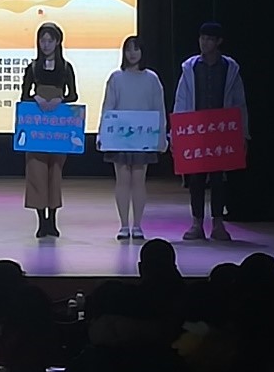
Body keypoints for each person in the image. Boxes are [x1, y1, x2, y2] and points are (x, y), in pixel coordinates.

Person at [173, 22, 249, 241]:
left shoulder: (229, 68)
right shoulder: (190, 67)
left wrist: (243, 133)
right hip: (196, 128)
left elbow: (239, 103)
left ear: (218, 42)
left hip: (220, 130)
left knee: (218, 179)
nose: (204, 43)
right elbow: (181, 99)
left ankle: (218, 223)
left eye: (209, 39)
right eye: (202, 38)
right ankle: (197, 223)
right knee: (195, 179)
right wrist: (176, 133)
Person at [98, 36, 168, 240]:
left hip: (143, 138)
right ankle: (123, 225)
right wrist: (103, 133)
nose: (132, 53)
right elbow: (108, 107)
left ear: (142, 52)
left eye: (136, 49)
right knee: (122, 181)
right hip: (119, 138)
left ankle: (137, 225)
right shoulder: (116, 78)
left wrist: (161, 137)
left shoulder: (152, 79)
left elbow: (159, 109)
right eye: (128, 49)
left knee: (138, 181)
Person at [20, 23, 79, 238]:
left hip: (58, 127)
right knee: (36, 173)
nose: (46, 44)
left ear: (57, 42)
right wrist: (36, 97)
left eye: (50, 40)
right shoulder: (33, 67)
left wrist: (59, 100)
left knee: (55, 174)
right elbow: (24, 96)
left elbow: (74, 95)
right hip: (36, 125)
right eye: (42, 40)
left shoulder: (66, 67)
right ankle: (41, 222)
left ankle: (52, 221)